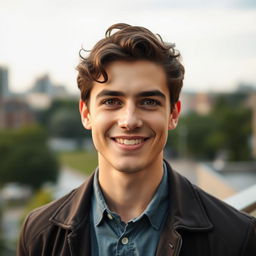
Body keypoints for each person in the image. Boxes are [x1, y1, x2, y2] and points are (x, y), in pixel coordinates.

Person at [18, 23, 256, 256]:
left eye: (149, 102)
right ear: (86, 113)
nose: (129, 121)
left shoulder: (238, 236)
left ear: (173, 114)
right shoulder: (38, 234)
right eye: (112, 102)